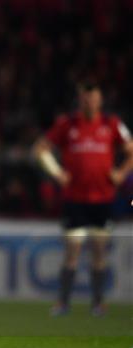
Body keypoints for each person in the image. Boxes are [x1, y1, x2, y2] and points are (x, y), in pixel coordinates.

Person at [33, 81, 133, 316]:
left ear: (100, 100)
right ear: (80, 100)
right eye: (86, 98)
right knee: (72, 252)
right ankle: (63, 303)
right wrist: (57, 172)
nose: (90, 102)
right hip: (75, 199)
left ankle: (98, 303)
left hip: (102, 199)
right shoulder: (67, 124)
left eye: (94, 98)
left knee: (98, 252)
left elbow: (131, 149)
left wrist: (121, 173)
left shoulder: (111, 125)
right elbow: (40, 148)